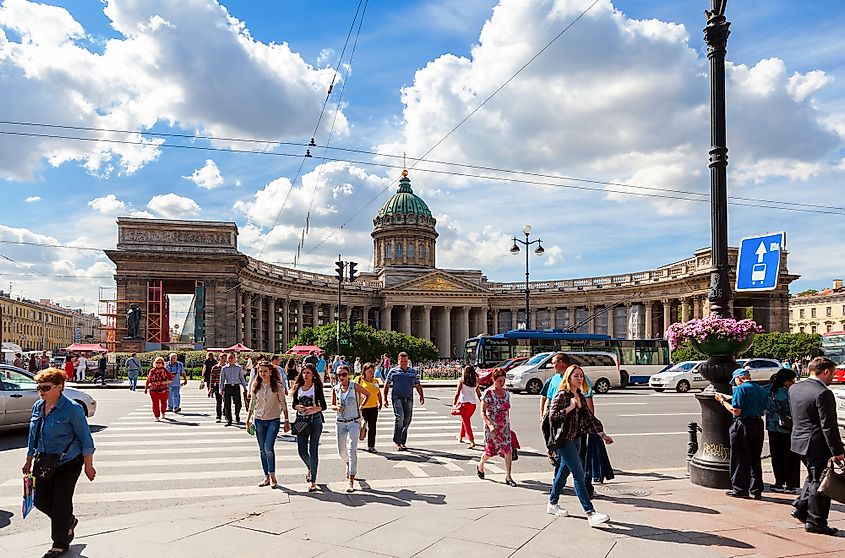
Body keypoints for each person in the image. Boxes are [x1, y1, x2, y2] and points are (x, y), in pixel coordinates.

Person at [22, 368, 96, 558]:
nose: (41, 391)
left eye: (46, 387)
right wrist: (28, 459)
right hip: (45, 461)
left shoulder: (73, 409)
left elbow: (86, 439)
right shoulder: (38, 406)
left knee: (60, 503)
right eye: (39, 387)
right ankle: (68, 521)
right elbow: (33, 435)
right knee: (40, 501)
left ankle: (60, 543)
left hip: (69, 462)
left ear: (59, 387)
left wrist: (88, 465)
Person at [546, 365, 613, 526]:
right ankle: (590, 513)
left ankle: (552, 503)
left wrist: (602, 434)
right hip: (565, 440)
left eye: (581, 376)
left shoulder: (580, 395)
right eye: (576, 376)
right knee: (579, 474)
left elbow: (588, 418)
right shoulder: (562, 395)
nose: (580, 378)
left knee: (563, 472)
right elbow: (552, 416)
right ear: (568, 377)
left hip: (577, 439)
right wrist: (570, 407)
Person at [790, 356, 845, 535]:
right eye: (833, 374)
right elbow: (828, 425)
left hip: (799, 441)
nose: (832, 378)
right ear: (826, 371)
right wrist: (838, 451)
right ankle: (816, 521)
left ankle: (801, 507)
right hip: (816, 444)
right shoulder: (823, 393)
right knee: (821, 482)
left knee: (813, 476)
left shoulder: (795, 388)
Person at [715, 368, 768, 499]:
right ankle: (756, 489)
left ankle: (740, 489)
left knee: (739, 457)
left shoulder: (740, 389)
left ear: (739, 378)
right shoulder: (761, 389)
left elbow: (736, 410)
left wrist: (722, 401)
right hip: (757, 424)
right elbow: (764, 411)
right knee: (755, 458)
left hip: (742, 425)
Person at [246, 361, 290, 488]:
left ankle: (272, 475)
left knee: (268, 448)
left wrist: (286, 420)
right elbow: (252, 403)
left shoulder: (277, 385)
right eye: (260, 371)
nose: (262, 374)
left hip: (273, 420)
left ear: (270, 372)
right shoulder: (256, 385)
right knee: (262, 450)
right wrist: (248, 420)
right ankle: (266, 476)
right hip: (258, 419)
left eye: (265, 371)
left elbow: (283, 403)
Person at [332, 364, 372, 492]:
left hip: (354, 422)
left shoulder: (354, 386)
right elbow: (332, 404)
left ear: (348, 375)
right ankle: (348, 463)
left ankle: (351, 479)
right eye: (339, 375)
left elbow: (368, 394)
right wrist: (336, 408)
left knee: (352, 448)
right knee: (341, 451)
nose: (341, 377)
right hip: (340, 422)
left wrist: (361, 406)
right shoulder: (336, 388)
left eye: (344, 374)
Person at [477, 368, 516, 486]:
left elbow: (507, 410)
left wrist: (507, 425)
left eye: (503, 380)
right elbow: (482, 412)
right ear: (493, 380)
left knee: (507, 450)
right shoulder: (488, 393)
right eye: (499, 380)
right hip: (492, 427)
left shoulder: (507, 391)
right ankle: (480, 465)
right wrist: (490, 425)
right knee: (489, 451)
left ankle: (508, 476)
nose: (502, 383)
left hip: (504, 427)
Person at [292, 363, 327, 492]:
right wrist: (297, 407)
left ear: (313, 375)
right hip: (301, 420)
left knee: (313, 450)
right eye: (304, 373)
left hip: (315, 420)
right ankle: (310, 467)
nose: (305, 375)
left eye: (308, 373)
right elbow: (293, 404)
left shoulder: (316, 387)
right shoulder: (298, 387)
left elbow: (323, 405)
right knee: (301, 450)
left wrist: (314, 409)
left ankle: (313, 480)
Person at [766, 368, 800, 493]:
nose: (794, 382)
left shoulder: (769, 390)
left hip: (772, 427)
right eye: (793, 380)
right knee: (791, 457)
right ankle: (791, 485)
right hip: (789, 428)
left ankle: (779, 483)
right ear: (786, 382)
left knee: (776, 456)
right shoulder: (791, 393)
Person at [383, 351, 425, 451]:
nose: (404, 363)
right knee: (400, 417)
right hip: (397, 397)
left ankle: (402, 441)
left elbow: (418, 384)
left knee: (407, 420)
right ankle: (397, 441)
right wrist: (384, 399)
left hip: (409, 397)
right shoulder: (393, 371)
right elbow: (387, 385)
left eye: (405, 361)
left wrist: (421, 396)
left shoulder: (412, 372)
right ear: (398, 361)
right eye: (402, 361)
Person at [453, 365, 481, 449]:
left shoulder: (461, 380)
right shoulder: (475, 382)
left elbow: (457, 392)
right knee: (465, 421)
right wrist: (483, 402)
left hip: (464, 404)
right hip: (473, 405)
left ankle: (472, 441)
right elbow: (479, 394)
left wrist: (454, 403)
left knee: (466, 423)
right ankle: (460, 437)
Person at [356, 362, 382, 452]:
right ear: (365, 371)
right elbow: (354, 391)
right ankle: (355, 442)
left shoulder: (375, 381)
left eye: (372, 371)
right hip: (362, 408)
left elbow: (378, 392)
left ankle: (371, 446)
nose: (371, 373)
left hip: (373, 407)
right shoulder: (359, 380)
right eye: (369, 371)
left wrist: (380, 402)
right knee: (360, 426)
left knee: (372, 427)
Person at [219, 353, 248, 426]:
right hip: (227, 387)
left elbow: (241, 378)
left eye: (232, 358)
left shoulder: (238, 368)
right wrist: (221, 389)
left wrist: (245, 388)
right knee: (227, 404)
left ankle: (237, 414)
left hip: (236, 387)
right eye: (229, 358)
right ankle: (229, 420)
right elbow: (222, 379)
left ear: (235, 359)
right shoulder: (224, 368)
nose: (230, 359)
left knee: (238, 404)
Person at [144, 357, 173, 421]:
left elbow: (171, 379)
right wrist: (146, 388)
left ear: (163, 363)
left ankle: (163, 412)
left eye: (160, 362)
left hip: (164, 389)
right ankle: (156, 416)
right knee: (155, 404)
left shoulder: (165, 370)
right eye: (157, 362)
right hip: (154, 389)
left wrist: (165, 382)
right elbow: (148, 379)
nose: (158, 364)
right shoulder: (152, 370)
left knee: (164, 403)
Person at [208, 353, 226, 422]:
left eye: (225, 358)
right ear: (219, 359)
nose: (224, 360)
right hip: (218, 386)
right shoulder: (215, 367)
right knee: (219, 401)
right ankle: (218, 416)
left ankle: (225, 414)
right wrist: (211, 388)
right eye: (222, 358)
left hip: (226, 386)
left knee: (226, 401)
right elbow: (212, 378)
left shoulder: (228, 367)